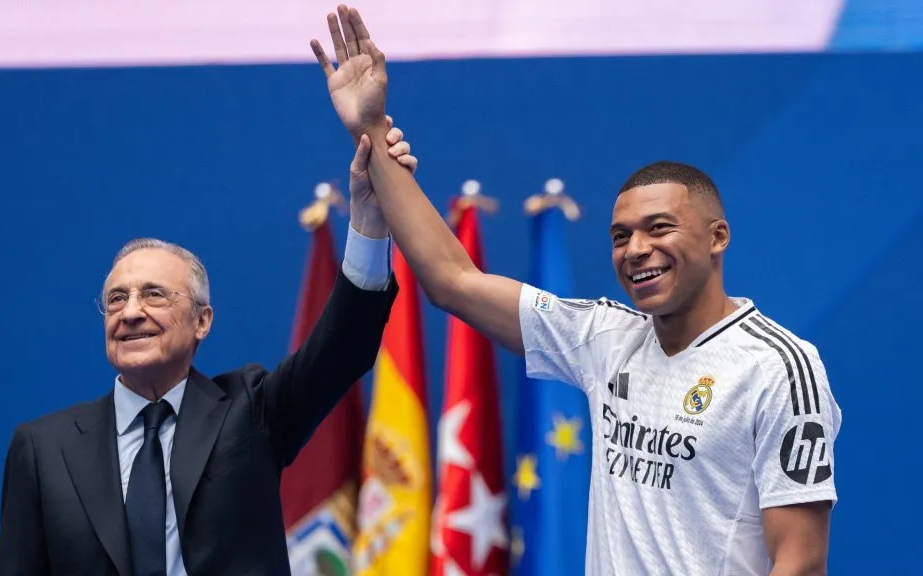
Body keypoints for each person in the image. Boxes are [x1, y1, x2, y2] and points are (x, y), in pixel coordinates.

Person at [309, 5, 841, 575]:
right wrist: (370, 127)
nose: (636, 249)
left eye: (659, 228)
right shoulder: (604, 337)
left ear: (718, 237)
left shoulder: (779, 367)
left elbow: (801, 561)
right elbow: (453, 281)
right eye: (621, 236)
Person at [0, 120, 419, 576]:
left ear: (202, 321)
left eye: (154, 294)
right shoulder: (43, 449)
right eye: (117, 298)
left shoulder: (251, 413)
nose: (131, 311)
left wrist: (370, 220)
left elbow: (342, 348)